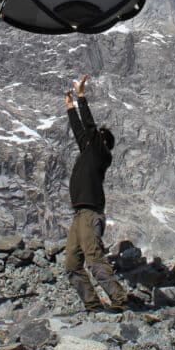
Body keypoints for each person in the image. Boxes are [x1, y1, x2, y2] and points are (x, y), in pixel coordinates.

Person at [63, 74, 128, 313]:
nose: (91, 137)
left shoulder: (102, 154)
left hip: (90, 214)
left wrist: (81, 96)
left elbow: (88, 127)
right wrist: (70, 107)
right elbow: (80, 130)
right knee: (72, 263)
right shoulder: (89, 150)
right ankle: (92, 304)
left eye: (97, 136)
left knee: (93, 258)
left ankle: (119, 299)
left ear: (103, 141)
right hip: (80, 214)